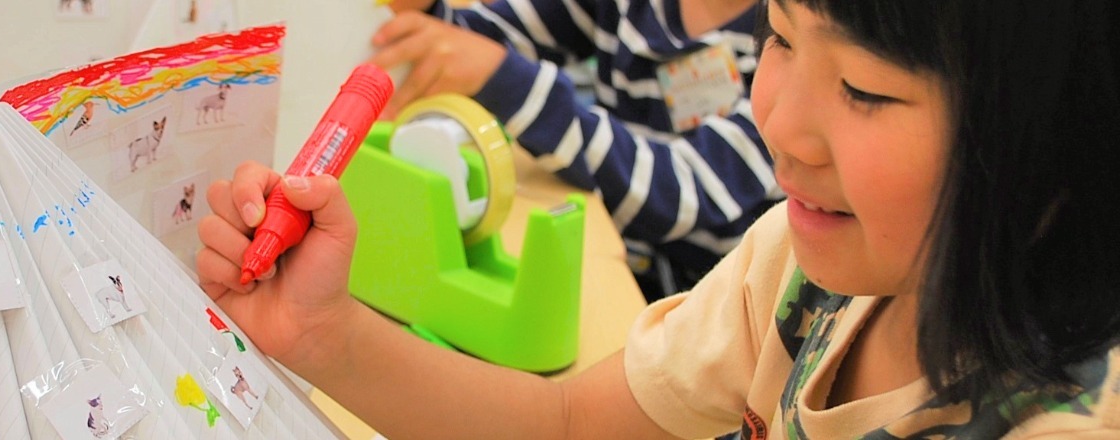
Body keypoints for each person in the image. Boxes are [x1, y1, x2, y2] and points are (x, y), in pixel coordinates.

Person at [196, 0, 1120, 438]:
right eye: (780, 39)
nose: (777, 123)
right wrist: (323, 335)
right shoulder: (796, 269)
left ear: (1059, 140)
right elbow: (565, 423)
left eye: (865, 89)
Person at [368, 0, 779, 299]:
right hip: (605, 254)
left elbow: (678, 192)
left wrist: (505, 80)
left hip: (707, 305)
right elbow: (478, 42)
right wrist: (428, 14)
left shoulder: (790, 43)